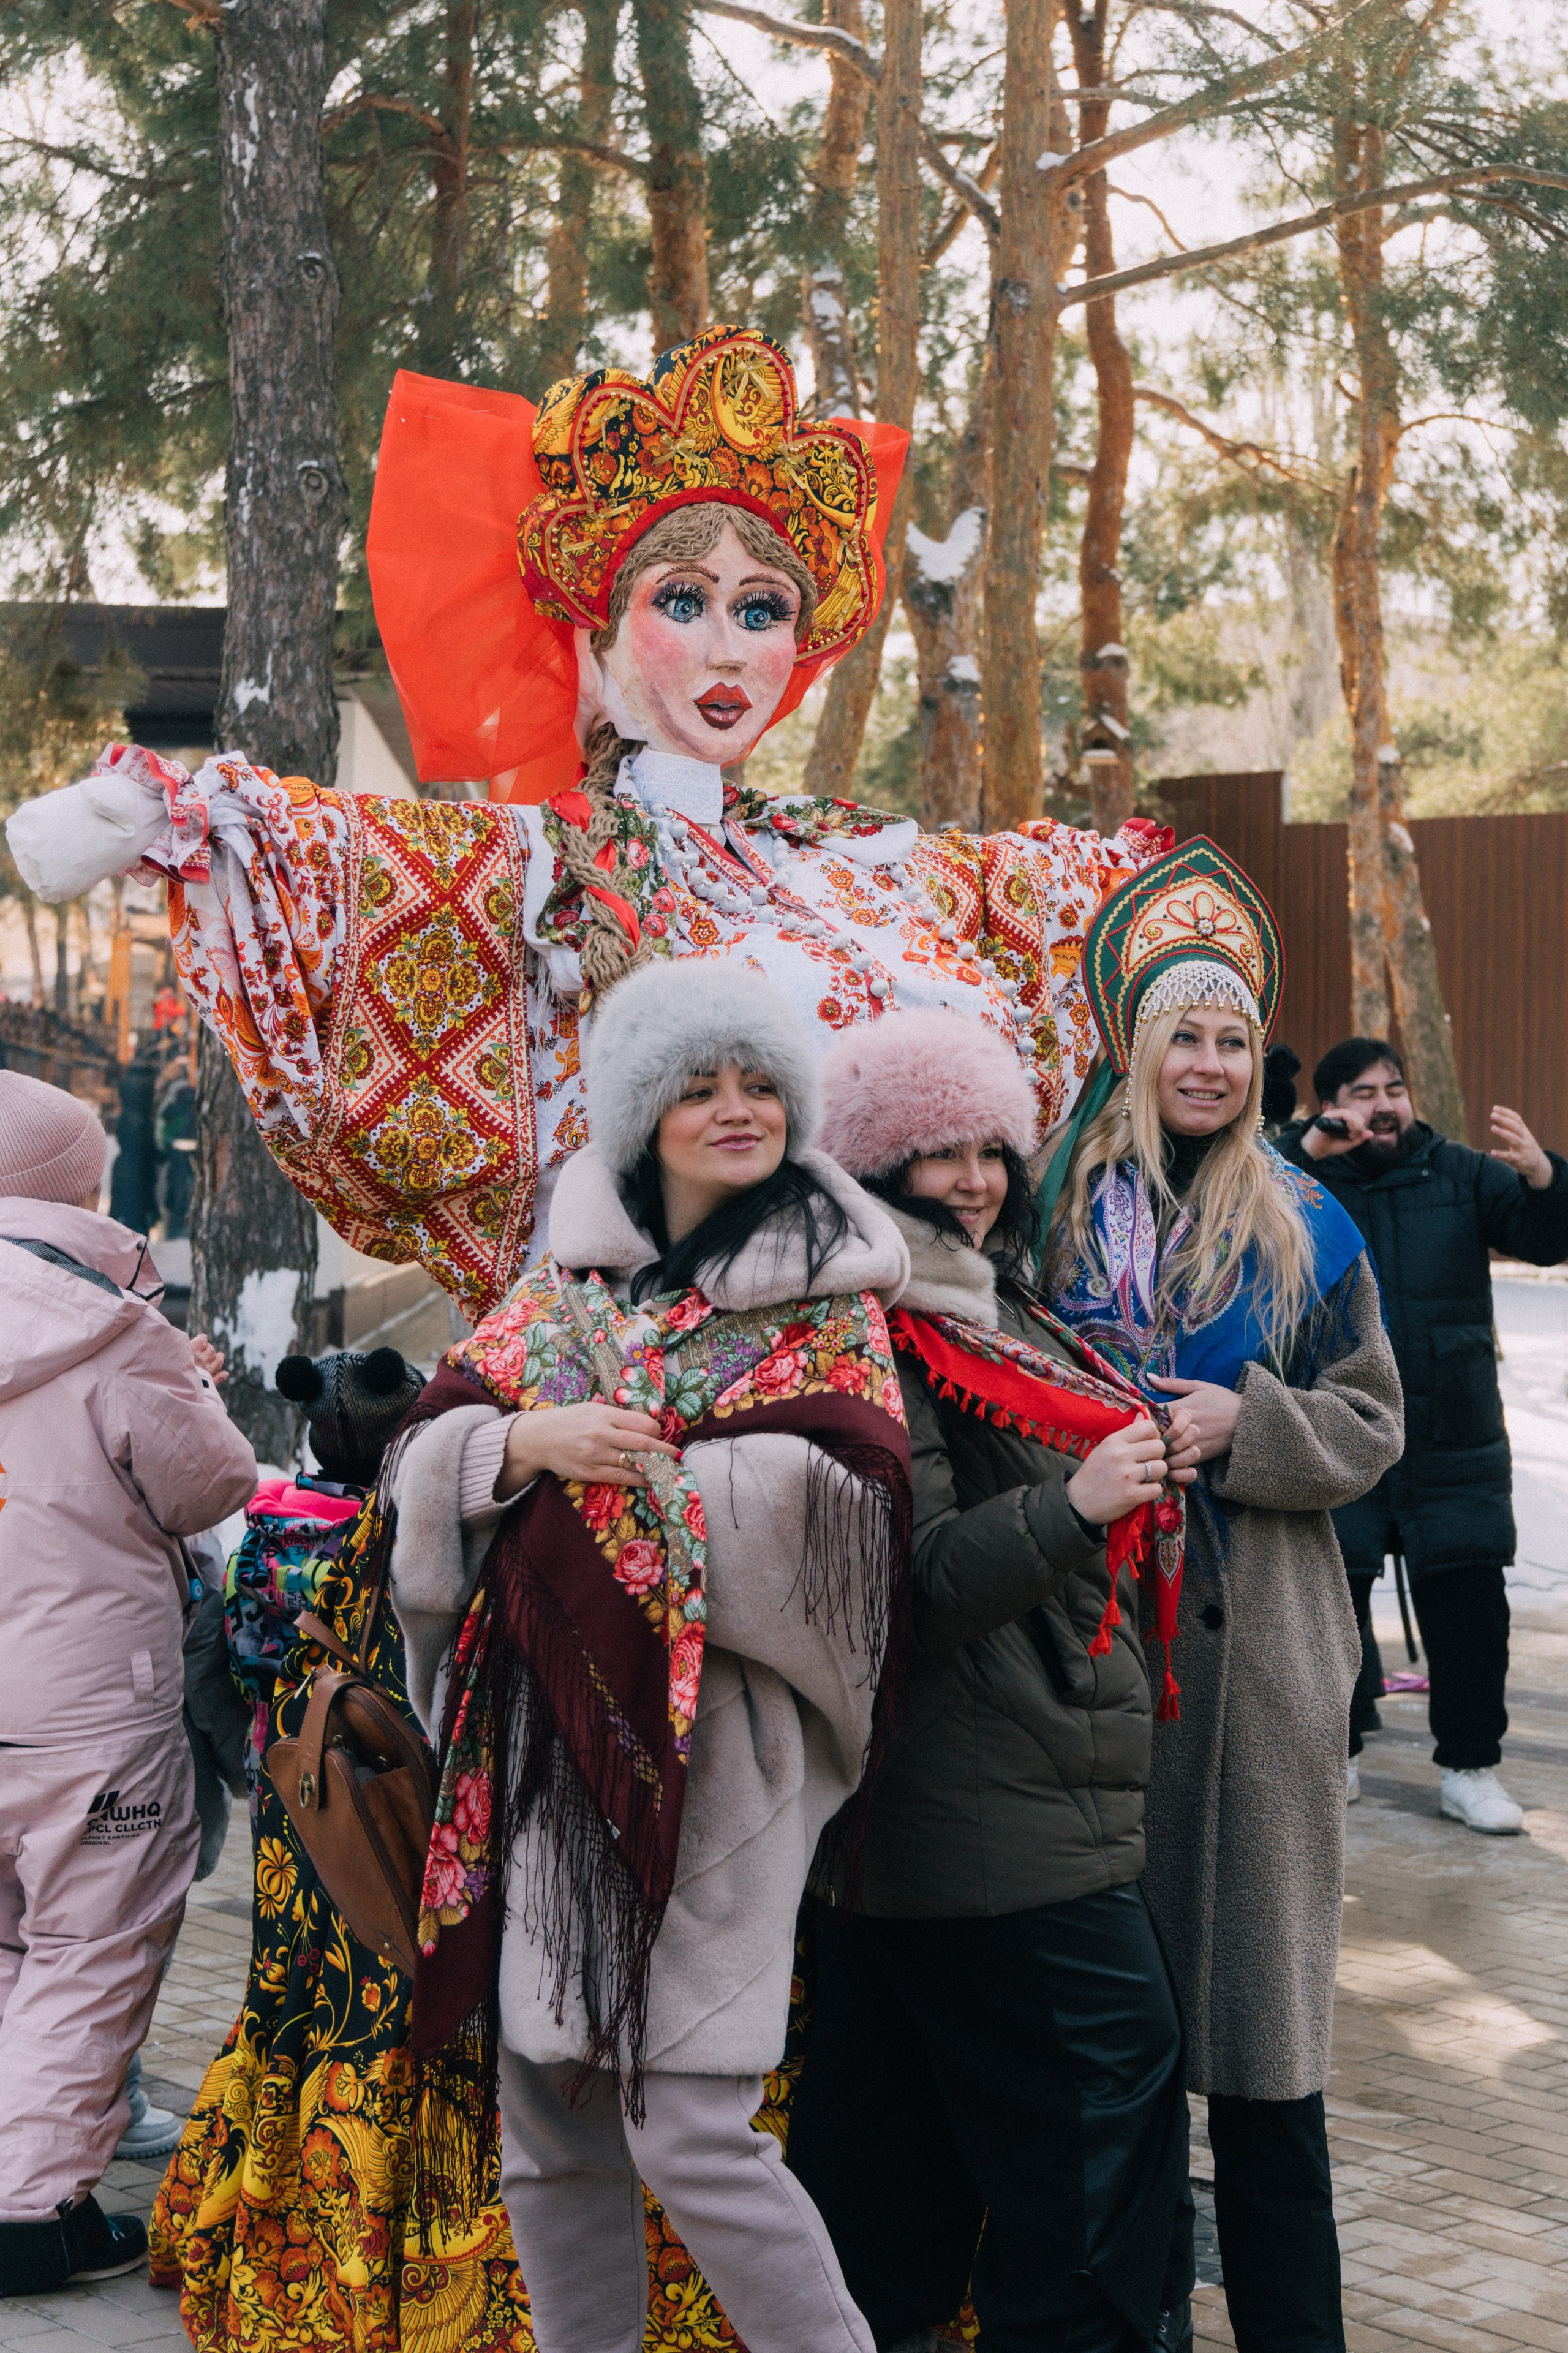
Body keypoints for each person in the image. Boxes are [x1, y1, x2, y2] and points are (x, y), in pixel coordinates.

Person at [6, 325, 1163, 1337]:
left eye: (762, 609)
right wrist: (176, 812)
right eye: (683, 601)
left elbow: (1033, 890)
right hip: (673, 1365)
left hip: (922, 1356)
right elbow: (365, 855)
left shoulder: (852, 862)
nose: (727, 649)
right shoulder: (549, 866)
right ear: (596, 641)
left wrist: (1147, 888)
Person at [386, 962, 912, 2353]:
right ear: (641, 1114)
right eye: (699, 1085)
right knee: (550, 2120)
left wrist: (626, 1480)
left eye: (760, 1083)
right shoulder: (559, 1290)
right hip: (547, 1746)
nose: (737, 1108)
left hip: (721, 1753)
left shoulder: (828, 1295)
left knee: (693, 2130)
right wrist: (525, 1443)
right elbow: (423, 1458)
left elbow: (849, 1531)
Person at [789, 1010, 1199, 2353]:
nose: (970, 1178)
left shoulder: (983, 1302)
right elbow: (902, 1580)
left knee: (897, 2177)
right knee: (1088, 2164)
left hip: (991, 1809)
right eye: (935, 1152)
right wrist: (1079, 1503)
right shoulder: (874, 1331)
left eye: (988, 1150)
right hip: (988, 1823)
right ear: (872, 1164)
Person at [1042, 839, 1404, 2353]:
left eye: (1231, 1039)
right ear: (1132, 1049)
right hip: (1086, 1663)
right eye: (1179, 1035)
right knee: (1108, 2074)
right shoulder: (1053, 1211)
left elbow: (1373, 1421)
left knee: (1264, 2071)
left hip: (1255, 1669)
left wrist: (1244, 1423)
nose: (1205, 1062)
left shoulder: (1308, 1221)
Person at [146, 1343, 556, 2353]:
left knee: (293, 1994)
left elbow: (229, 1654)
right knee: (389, 1991)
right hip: (395, 1791)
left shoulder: (269, 1531)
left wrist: (254, 1752)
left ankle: (257, 2202)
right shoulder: (419, 1533)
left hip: (297, 1780)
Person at [0, 1069, 257, 2300]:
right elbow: (212, 1484)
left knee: (10, 1946)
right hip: (88, 1702)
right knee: (90, 1946)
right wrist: (188, 1387)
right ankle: (29, 2212)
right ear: (77, 1183)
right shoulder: (115, 1327)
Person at [1279, 1038, 1568, 1832]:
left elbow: (1549, 1240)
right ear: (1330, 1107)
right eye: (1363, 1092)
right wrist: (1306, 1150)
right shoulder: (1302, 1183)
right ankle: (1334, 1756)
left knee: (1471, 1611)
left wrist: (1544, 1177)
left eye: (1395, 1089)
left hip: (1455, 1435)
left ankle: (1471, 1768)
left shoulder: (1462, 1173)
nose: (1384, 1105)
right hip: (1340, 1428)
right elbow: (1235, 1211)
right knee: (1329, 1605)